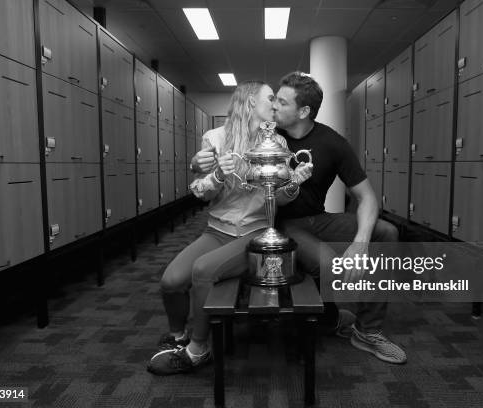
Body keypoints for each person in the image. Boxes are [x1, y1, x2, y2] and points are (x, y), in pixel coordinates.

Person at [147, 80, 313, 376]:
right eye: (270, 99)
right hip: (217, 230)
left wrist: (294, 184)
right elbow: (200, 191)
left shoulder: (279, 143)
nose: (275, 105)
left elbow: (282, 200)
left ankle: (198, 349)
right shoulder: (214, 137)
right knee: (170, 281)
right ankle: (177, 336)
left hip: (255, 232)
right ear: (250, 102)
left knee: (203, 270)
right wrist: (218, 177)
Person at [272, 72, 407, 364]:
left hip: (317, 219)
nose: (274, 106)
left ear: (304, 111)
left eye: (282, 102)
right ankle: (329, 314)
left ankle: (367, 331)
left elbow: (367, 197)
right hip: (283, 224)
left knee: (386, 233)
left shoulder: (332, 142)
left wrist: (360, 243)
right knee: (331, 265)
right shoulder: (270, 137)